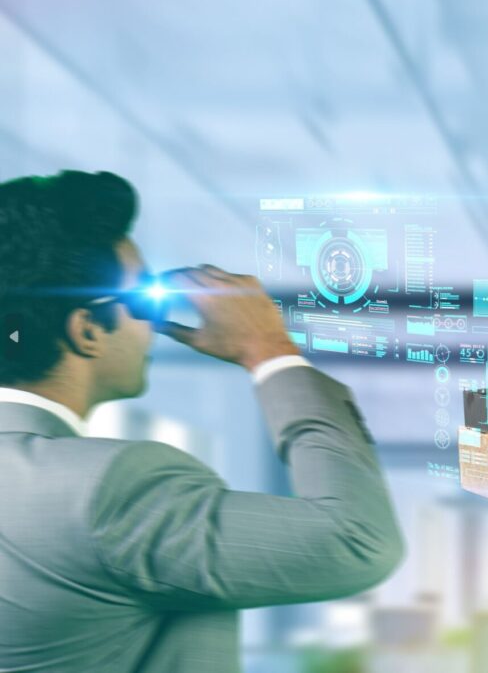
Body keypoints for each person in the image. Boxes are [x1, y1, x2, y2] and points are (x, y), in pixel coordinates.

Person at [0, 171, 405, 672]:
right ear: (87, 330)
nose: (153, 324)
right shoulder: (111, 493)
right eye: (143, 299)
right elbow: (357, 541)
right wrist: (269, 351)